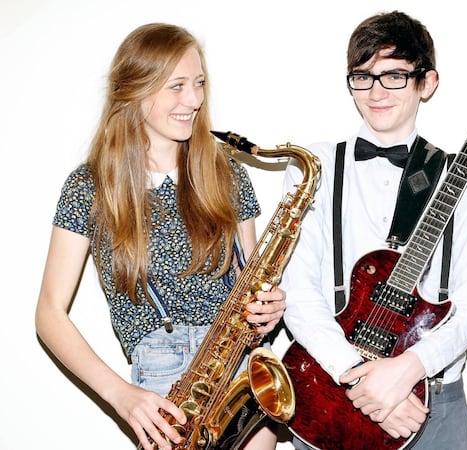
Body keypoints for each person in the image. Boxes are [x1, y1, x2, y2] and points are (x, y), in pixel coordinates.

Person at [34, 23, 286, 450]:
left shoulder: (227, 172)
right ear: (136, 89)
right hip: (162, 384)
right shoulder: (90, 186)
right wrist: (121, 396)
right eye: (178, 86)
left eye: (199, 83)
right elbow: (48, 314)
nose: (194, 100)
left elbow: (252, 278)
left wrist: (270, 304)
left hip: (239, 366)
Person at [279, 10, 467, 449]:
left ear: (427, 82)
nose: (376, 91)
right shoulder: (312, 166)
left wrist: (407, 370)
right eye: (363, 76)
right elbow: (296, 290)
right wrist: (362, 381)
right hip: (328, 395)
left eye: (394, 75)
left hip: (433, 406)